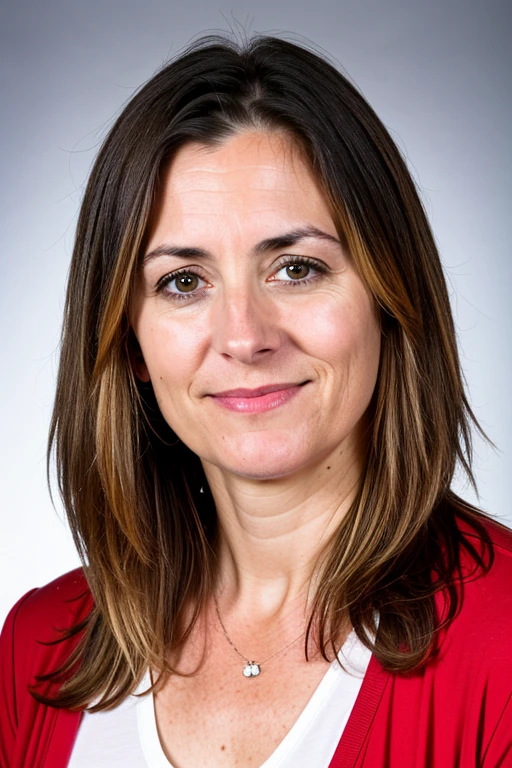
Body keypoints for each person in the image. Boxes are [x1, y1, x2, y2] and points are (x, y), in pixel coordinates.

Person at [1, 31, 511, 768]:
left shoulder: (503, 646)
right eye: (183, 282)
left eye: (296, 268)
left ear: (389, 299)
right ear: (128, 341)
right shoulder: (39, 649)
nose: (244, 336)